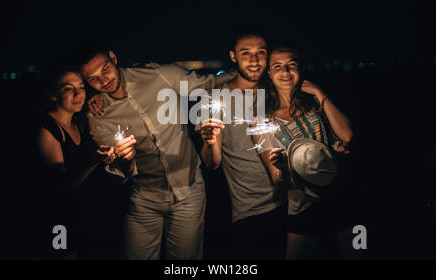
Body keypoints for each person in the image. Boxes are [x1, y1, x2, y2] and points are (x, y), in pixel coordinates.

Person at [76, 42, 234, 260]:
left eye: (104, 69)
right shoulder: (97, 113)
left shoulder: (160, 75)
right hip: (143, 201)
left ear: (113, 57)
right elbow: (117, 172)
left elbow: (209, 83)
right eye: (93, 79)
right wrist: (125, 160)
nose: (103, 81)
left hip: (189, 191)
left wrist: (255, 76)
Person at [254, 44, 356, 259]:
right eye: (278, 66)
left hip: (344, 198)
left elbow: (347, 135)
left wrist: (320, 93)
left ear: (301, 68)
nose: (285, 72)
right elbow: (277, 180)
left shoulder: (315, 103)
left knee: (358, 252)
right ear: (269, 72)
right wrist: (282, 168)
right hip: (302, 208)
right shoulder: (262, 121)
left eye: (292, 65)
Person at [199, 28, 287, 259]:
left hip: (294, 201)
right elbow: (212, 163)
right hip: (252, 210)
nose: (255, 60)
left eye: (261, 52)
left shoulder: (279, 89)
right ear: (233, 56)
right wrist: (210, 142)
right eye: (245, 52)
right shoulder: (216, 97)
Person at [37, 63, 118, 259]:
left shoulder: (79, 125)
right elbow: (61, 186)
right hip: (58, 223)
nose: (78, 94)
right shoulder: (47, 130)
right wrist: (94, 160)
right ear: (53, 95)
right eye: (68, 89)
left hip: (84, 220)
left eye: (81, 87)